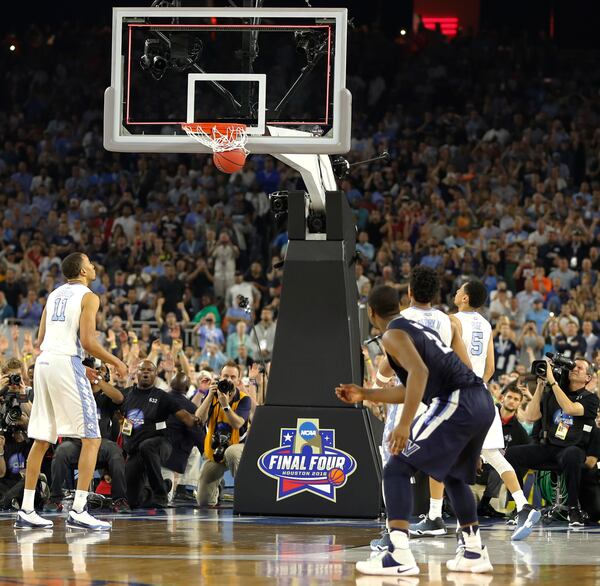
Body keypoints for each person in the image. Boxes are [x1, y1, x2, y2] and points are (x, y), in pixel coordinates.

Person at [337, 285, 495, 576]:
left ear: (370, 313)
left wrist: (404, 423)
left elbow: (419, 374)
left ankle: (398, 553)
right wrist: (365, 393)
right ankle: (474, 551)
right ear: (398, 305)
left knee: (397, 466)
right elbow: (412, 387)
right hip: (481, 400)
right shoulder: (411, 328)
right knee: (453, 475)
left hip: (458, 400)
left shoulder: (393, 335)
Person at [16, 252, 128, 530]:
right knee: (92, 437)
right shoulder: (89, 296)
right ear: (81, 271)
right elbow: (88, 341)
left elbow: (41, 339)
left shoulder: (53, 295)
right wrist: (116, 361)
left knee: (42, 439)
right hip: (65, 363)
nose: (93, 266)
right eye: (89, 263)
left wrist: (79, 367)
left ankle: (27, 510)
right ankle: (79, 510)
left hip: (44, 364)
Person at [506, 357, 600, 526]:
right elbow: (530, 417)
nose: (574, 368)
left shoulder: (590, 399)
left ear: (588, 378)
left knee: (572, 454)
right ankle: (520, 507)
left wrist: (553, 383)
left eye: (579, 367)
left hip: (573, 449)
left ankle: (573, 510)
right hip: (549, 448)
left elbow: (570, 408)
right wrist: (542, 386)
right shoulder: (552, 394)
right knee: (511, 454)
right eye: (572, 366)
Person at [121, 361, 203, 508]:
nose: (146, 372)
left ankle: (160, 493)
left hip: (161, 448)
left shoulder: (163, 397)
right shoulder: (127, 394)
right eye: (142, 369)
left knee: (148, 446)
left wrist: (195, 420)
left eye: (150, 370)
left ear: (156, 375)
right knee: (133, 501)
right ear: (137, 373)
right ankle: (159, 490)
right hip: (136, 451)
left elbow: (186, 417)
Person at [196, 361, 251, 506]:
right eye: (225, 376)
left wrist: (225, 405)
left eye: (233, 377)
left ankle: (244, 495)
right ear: (219, 377)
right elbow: (199, 419)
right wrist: (209, 396)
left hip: (238, 448)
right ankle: (218, 487)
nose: (228, 380)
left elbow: (238, 423)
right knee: (203, 501)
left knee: (231, 453)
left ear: (238, 380)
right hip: (216, 451)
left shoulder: (244, 399)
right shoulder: (211, 395)